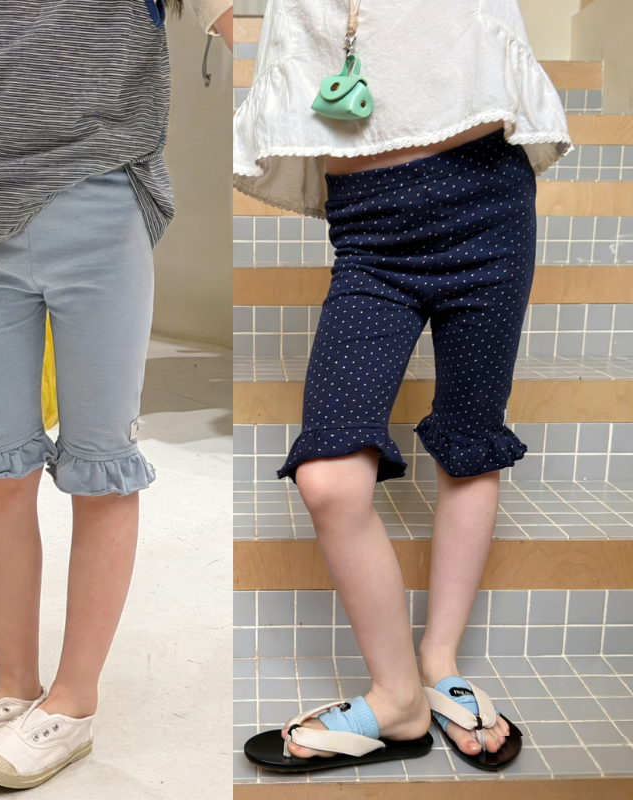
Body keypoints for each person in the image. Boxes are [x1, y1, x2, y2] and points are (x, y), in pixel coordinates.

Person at [0, 0, 232, 789]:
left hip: (102, 209)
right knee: (0, 468)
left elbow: (246, 28)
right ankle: (12, 689)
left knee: (101, 464)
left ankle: (73, 700)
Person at [234, 0, 572, 773]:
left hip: (488, 203)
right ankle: (398, 700)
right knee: (329, 479)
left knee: (469, 442)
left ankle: (438, 661)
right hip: (369, 230)